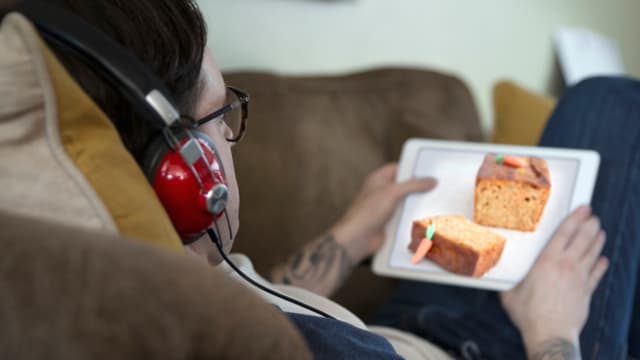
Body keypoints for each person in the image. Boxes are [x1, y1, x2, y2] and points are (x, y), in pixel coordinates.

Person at [48, 0, 639, 358]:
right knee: (611, 103)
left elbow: (267, 302)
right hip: (509, 342)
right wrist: (554, 331)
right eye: (222, 113)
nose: (230, 138)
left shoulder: (161, 267)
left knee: (595, 104)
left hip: (401, 321)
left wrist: (348, 237)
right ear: (185, 177)